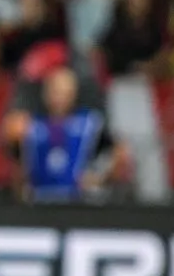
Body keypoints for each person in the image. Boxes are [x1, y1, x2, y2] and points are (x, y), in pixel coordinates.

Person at [13, 67, 122, 202]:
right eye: (56, 92)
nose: (60, 98)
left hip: (79, 204)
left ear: (74, 94)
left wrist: (99, 176)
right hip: (39, 202)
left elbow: (117, 152)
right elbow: (19, 166)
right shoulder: (30, 125)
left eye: (66, 93)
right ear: (45, 93)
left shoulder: (89, 124)